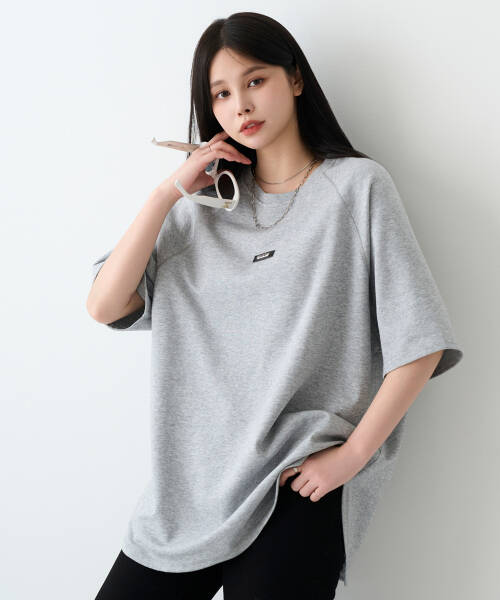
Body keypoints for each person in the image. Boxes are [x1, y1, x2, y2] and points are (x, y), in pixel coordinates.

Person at [87, 11, 464, 600]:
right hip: (190, 492)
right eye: (221, 93)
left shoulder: (357, 188)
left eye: (255, 80)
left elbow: (420, 342)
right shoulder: (197, 214)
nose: (241, 104)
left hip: (297, 479)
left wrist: (352, 456)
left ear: (295, 79)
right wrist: (168, 192)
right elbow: (105, 305)